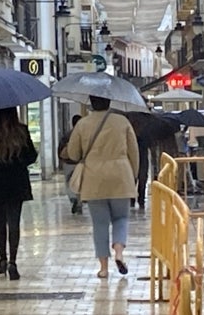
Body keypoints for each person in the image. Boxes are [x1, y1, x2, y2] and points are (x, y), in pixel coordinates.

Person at [67, 95, 138, 279]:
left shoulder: (83, 124)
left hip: (94, 179)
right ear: (109, 102)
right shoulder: (122, 122)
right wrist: (133, 175)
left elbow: (73, 154)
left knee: (100, 224)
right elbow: (134, 152)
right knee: (121, 218)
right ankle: (119, 252)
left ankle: (104, 268)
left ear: (91, 103)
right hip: (121, 177)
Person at [0, 107, 38, 281]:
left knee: (0, 222)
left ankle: (2, 258)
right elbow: (31, 156)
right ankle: (13, 262)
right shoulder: (21, 131)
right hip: (17, 182)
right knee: (14, 222)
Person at [58, 114, 83, 214]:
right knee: (80, 182)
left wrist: (61, 160)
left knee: (69, 182)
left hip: (68, 163)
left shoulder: (67, 134)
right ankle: (79, 201)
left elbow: (60, 148)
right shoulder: (83, 134)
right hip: (80, 162)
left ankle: (73, 199)